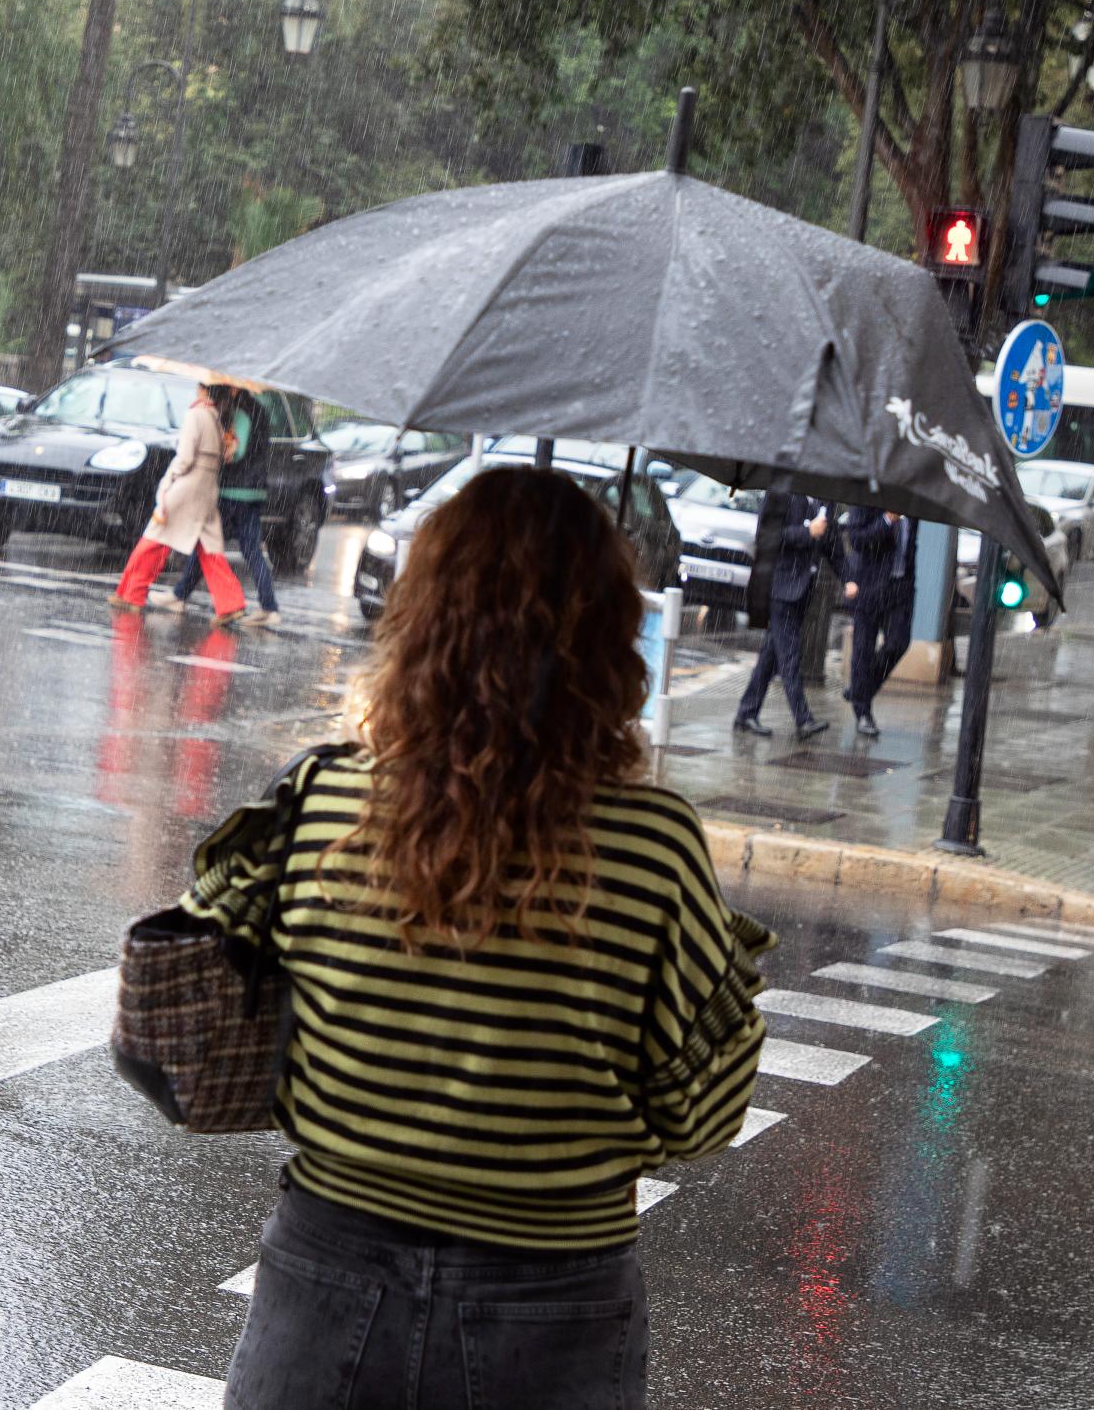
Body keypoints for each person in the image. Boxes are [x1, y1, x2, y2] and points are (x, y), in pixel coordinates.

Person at [177, 468, 772, 1409]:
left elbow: (218, 1007)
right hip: (556, 1308)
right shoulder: (655, 848)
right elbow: (701, 1115)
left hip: (326, 1282)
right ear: (610, 637)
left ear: (423, 617)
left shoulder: (324, 799)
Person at [109, 383, 247, 626]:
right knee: (210, 548)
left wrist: (168, 480)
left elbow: (184, 457)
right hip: (208, 486)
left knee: (154, 539)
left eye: (199, 386)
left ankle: (132, 593)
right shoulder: (221, 417)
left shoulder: (196, 414)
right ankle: (231, 603)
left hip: (188, 485)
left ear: (204, 390)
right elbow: (228, 455)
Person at [167, 387, 279, 626]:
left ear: (235, 387)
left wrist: (219, 448)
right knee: (250, 550)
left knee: (207, 543)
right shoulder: (258, 408)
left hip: (234, 491)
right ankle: (269, 608)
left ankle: (181, 595)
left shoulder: (242, 411)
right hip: (253, 490)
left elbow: (235, 453)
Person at [734, 488, 835, 741]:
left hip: (802, 590)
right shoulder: (781, 493)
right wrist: (805, 532)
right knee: (790, 655)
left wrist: (850, 578)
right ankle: (803, 719)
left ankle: (746, 713)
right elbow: (766, 535)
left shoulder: (825, 498)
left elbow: (830, 545)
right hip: (781, 588)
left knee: (771, 656)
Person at [842, 505, 918, 738]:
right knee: (863, 650)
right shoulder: (869, 496)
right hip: (870, 586)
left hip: (900, 588)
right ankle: (863, 712)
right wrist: (886, 521)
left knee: (898, 643)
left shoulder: (914, 504)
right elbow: (857, 540)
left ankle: (859, 690)